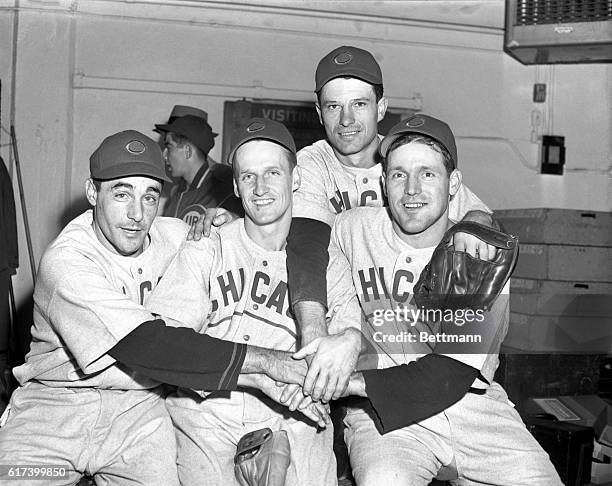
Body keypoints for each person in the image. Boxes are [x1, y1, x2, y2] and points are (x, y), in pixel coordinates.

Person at [0, 130, 319, 485]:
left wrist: (227, 217)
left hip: (139, 412)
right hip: (56, 408)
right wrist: (265, 370)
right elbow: (151, 345)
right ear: (93, 192)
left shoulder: (175, 235)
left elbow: (298, 229)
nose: (137, 214)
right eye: (122, 194)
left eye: (149, 197)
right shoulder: (67, 262)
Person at [295, 114, 562, 485]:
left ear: (453, 184)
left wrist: (343, 381)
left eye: (428, 174)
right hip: (383, 417)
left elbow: (449, 374)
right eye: (399, 174)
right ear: (384, 183)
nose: (411, 190)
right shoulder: (352, 228)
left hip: (473, 407)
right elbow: (294, 247)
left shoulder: (480, 251)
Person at [145, 117, 362, 485]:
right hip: (208, 412)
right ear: (235, 183)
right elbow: (167, 346)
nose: (260, 188)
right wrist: (260, 373)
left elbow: (345, 351)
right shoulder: (208, 247)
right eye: (248, 176)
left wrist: (339, 353)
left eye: (273, 173)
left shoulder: (328, 260)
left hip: (295, 413)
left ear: (295, 179)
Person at [155, 111, 243, 224]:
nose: (164, 155)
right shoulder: (178, 191)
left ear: (187, 151)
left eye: (169, 147)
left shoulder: (225, 188)